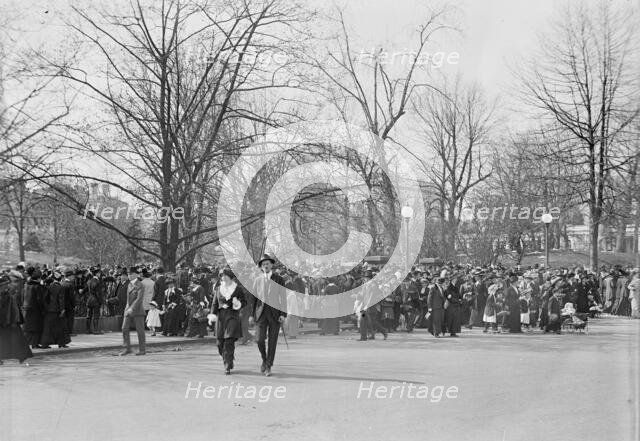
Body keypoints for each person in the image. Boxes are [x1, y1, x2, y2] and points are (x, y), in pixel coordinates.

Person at [251, 254, 287, 377]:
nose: (265, 266)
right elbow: (254, 299)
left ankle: (268, 366)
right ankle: (264, 359)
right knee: (259, 340)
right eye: (263, 264)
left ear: (271, 265)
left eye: (267, 263)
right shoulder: (257, 280)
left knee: (272, 342)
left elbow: (283, 298)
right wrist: (252, 315)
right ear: (261, 267)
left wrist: (283, 314)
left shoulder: (279, 279)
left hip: (275, 314)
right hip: (260, 314)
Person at [210, 268, 247, 375]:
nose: (223, 277)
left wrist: (237, 303)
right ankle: (228, 358)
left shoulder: (237, 289)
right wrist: (212, 314)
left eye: (225, 275)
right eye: (221, 276)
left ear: (231, 277)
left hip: (232, 316)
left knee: (229, 341)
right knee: (219, 343)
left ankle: (227, 365)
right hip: (221, 317)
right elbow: (214, 303)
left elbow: (244, 302)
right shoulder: (218, 289)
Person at [0, 274, 32, 365]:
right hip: (3, 323)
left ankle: (22, 357)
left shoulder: (9, 296)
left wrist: (16, 320)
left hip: (10, 322)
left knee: (17, 340)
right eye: (4, 286)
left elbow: (15, 309)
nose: (6, 287)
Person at [40, 270, 71, 349]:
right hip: (57, 310)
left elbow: (45, 298)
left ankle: (45, 344)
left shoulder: (49, 286)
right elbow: (61, 299)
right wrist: (62, 309)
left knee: (48, 328)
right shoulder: (61, 287)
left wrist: (47, 307)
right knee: (61, 327)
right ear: (60, 279)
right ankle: (61, 343)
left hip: (50, 310)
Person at [120, 267, 146, 356]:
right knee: (124, 328)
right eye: (128, 274)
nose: (129, 275)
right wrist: (127, 308)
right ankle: (127, 348)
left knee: (140, 331)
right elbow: (128, 299)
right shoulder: (129, 284)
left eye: (131, 274)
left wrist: (132, 308)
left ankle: (142, 350)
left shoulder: (140, 284)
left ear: (136, 274)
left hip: (137, 310)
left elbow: (139, 299)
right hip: (128, 309)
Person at [22, 269, 46, 349]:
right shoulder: (38, 287)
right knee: (36, 328)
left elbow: (22, 297)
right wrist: (43, 309)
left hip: (27, 308)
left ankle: (26, 344)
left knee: (28, 328)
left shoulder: (26, 285)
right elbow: (40, 299)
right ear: (38, 278)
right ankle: (35, 344)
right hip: (36, 310)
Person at [427, 271, 448, 337]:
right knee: (436, 320)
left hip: (441, 307)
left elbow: (443, 297)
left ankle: (438, 332)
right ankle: (436, 333)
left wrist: (445, 303)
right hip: (435, 307)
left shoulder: (441, 288)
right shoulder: (433, 288)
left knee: (440, 320)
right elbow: (429, 298)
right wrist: (429, 307)